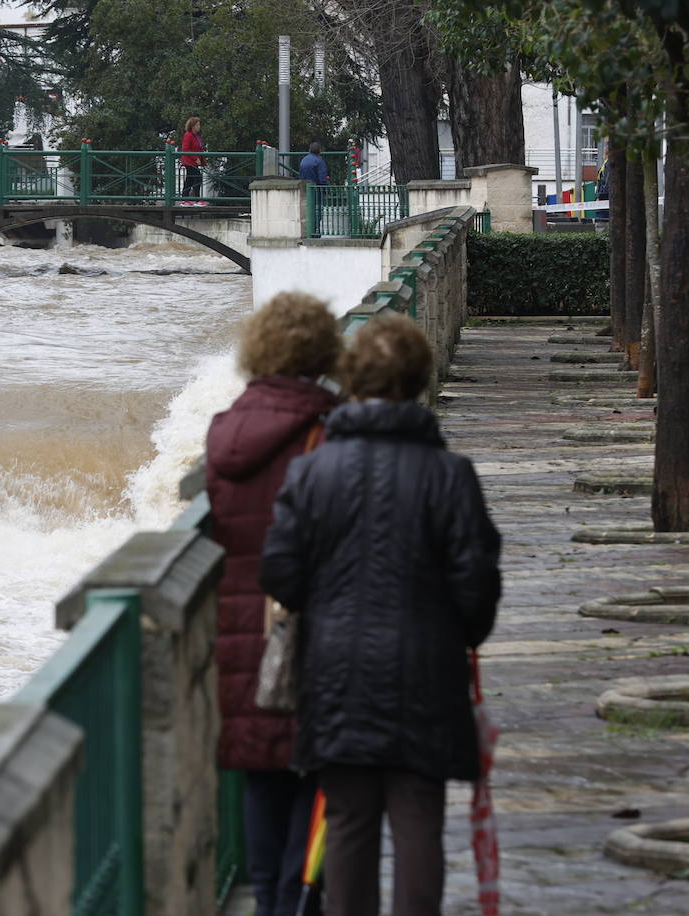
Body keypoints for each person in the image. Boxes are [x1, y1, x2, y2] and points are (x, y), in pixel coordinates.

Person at [260, 315, 501, 916]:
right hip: (426, 667)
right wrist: (456, 634)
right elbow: (477, 582)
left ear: (352, 380)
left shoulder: (311, 472)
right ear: (418, 379)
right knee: (419, 820)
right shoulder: (450, 475)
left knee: (346, 820)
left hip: (335, 668)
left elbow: (280, 573)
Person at [206, 292, 344, 916]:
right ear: (322, 354)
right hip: (316, 627)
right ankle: (297, 901)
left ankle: (268, 902)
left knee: (258, 773)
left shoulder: (227, 431)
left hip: (240, 629)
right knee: (316, 778)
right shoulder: (331, 429)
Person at [298, 141, 329, 236]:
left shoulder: (304, 160)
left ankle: (306, 231)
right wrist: (325, 191)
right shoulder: (319, 161)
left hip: (304, 190)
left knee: (306, 211)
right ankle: (315, 232)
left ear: (309, 150)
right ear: (319, 151)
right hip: (316, 190)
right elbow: (322, 178)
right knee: (317, 211)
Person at [181, 116, 207, 206]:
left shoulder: (197, 136)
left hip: (194, 162)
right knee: (197, 178)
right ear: (193, 126)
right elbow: (186, 149)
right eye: (198, 125)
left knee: (190, 179)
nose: (199, 126)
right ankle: (197, 199)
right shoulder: (188, 135)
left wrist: (203, 161)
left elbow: (199, 149)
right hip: (189, 161)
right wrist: (195, 158)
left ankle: (184, 199)